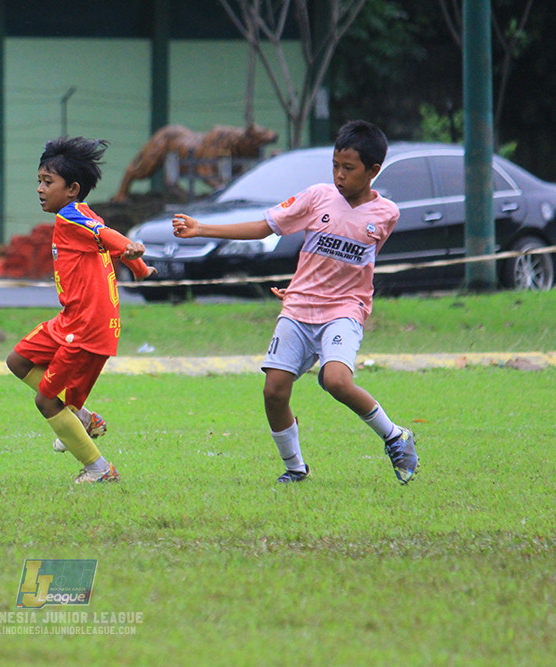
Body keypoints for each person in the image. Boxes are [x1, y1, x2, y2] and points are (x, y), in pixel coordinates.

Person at [172, 120, 419, 484]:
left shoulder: (387, 215)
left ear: (373, 171)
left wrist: (333, 294)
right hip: (300, 308)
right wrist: (202, 228)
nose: (339, 175)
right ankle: (295, 468)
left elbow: (360, 265)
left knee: (335, 380)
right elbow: (264, 226)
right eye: (335, 165)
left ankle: (396, 436)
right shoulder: (317, 197)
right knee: (273, 391)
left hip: (344, 310)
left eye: (348, 169)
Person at [6, 136, 154, 483]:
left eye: (48, 182)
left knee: (46, 402)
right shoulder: (79, 214)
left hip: (87, 326)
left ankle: (99, 469)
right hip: (71, 319)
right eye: (39, 181)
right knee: (18, 360)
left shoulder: (73, 219)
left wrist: (130, 247)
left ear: (72, 189)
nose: (40, 189)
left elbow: (109, 237)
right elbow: (111, 246)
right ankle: (82, 416)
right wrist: (141, 268)